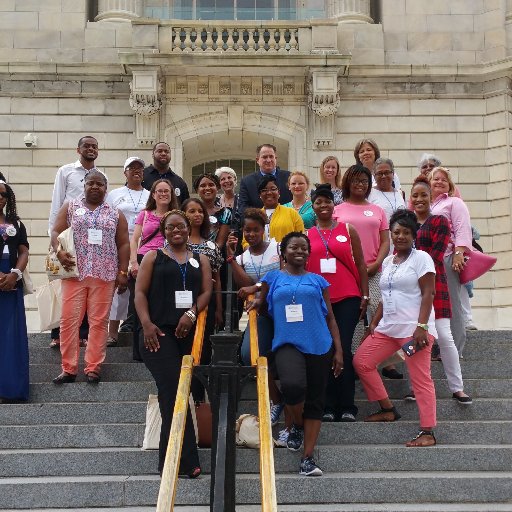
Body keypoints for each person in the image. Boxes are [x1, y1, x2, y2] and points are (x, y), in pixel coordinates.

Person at [247, 232, 343, 476]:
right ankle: (297, 425)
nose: (299, 251)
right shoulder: (273, 277)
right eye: (294, 247)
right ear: (283, 252)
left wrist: (339, 350)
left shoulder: (318, 281)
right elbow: (262, 297)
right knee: (292, 386)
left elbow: (330, 317)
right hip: (287, 342)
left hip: (320, 344)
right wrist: (257, 301)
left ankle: (307, 459)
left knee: (315, 400)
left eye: (304, 248)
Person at [135, 210, 212, 477]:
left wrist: (191, 314)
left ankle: (172, 461)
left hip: (188, 335)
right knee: (172, 392)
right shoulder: (153, 257)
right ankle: (185, 461)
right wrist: (146, 325)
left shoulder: (200, 258)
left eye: (180, 226)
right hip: (157, 335)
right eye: (170, 227)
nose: (175, 231)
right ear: (164, 230)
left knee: (180, 394)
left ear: (188, 228)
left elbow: (206, 292)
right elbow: (140, 294)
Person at [353, 209, 438, 447]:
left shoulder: (421, 258)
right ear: (390, 234)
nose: (400, 236)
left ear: (414, 235)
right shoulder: (389, 261)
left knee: (421, 379)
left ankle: (427, 431)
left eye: (406, 233)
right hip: (387, 329)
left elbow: (428, 292)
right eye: (396, 232)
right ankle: (388, 409)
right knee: (362, 361)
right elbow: (385, 295)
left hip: (414, 331)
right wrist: (374, 322)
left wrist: (422, 326)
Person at [50, 170, 130, 384]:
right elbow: (56, 231)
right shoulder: (71, 207)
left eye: (100, 184)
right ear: (84, 185)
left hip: (104, 276)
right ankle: (69, 368)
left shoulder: (115, 213)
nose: (95, 187)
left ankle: (93, 367)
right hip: (75, 273)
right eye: (91, 183)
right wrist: (58, 250)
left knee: (98, 322)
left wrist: (122, 272)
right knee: (69, 321)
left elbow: (123, 243)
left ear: (106, 188)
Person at [307, 184, 369, 422]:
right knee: (325, 349)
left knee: (342, 345)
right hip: (319, 300)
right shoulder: (307, 234)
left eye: (327, 201)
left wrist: (365, 294)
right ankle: (328, 405)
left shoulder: (347, 229)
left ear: (334, 205)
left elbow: (361, 264)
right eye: (318, 202)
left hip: (347, 297)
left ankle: (347, 406)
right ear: (312, 207)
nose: (323, 206)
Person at [333, 165, 400, 379]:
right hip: (347, 273)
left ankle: (382, 360)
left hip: (375, 270)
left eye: (363, 180)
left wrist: (377, 263)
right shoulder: (338, 210)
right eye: (355, 180)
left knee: (383, 313)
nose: (360, 184)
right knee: (353, 317)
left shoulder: (378, 210)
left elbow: (385, 241)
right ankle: (353, 360)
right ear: (347, 183)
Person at [409, 176, 472, 404]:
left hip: (434, 287)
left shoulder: (439, 222)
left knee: (445, 337)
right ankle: (414, 387)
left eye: (423, 195)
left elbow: (435, 255)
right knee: (412, 340)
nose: (419, 199)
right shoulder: (405, 224)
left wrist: (412, 268)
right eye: (415, 195)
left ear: (430, 197)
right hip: (411, 292)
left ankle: (457, 387)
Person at [225, 208, 284, 435]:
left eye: (255, 230)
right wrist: (231, 257)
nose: (251, 234)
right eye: (247, 230)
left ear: (264, 229)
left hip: (282, 312)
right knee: (250, 353)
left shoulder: (278, 248)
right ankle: (276, 399)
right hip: (259, 314)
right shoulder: (242, 257)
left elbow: (282, 274)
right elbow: (245, 283)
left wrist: (257, 287)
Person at [48, 136, 100, 348]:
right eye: (86, 146)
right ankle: (57, 334)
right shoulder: (66, 171)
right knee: (65, 285)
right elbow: (57, 203)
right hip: (67, 236)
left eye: (94, 146)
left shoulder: (100, 175)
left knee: (88, 284)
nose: (91, 149)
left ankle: (84, 333)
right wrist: (54, 239)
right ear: (78, 149)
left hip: (91, 239)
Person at [127, 179, 178, 358]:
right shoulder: (145, 214)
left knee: (161, 305)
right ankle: (139, 351)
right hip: (143, 260)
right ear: (153, 194)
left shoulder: (177, 214)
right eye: (160, 191)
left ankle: (161, 345)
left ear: (171, 194)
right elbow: (134, 239)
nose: (163, 194)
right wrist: (133, 262)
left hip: (167, 260)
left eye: (167, 191)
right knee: (138, 305)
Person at [181, 198, 224, 401]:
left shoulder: (211, 246)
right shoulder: (173, 243)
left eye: (200, 211)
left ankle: (198, 397)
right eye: (191, 211)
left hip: (206, 305)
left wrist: (219, 309)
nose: (196, 214)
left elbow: (217, 280)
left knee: (203, 350)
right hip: (179, 303)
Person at [429, 167, 473, 357]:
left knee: (452, 304)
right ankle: (437, 346)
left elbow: (462, 228)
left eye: (443, 180)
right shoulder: (428, 205)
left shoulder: (454, 202)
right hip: (428, 260)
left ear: (450, 185)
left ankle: (456, 349)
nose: (439, 182)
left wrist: (459, 252)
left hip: (447, 258)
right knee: (432, 304)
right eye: (435, 179)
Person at [105, 157, 150, 345]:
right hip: (120, 244)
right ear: (125, 172)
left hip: (145, 245)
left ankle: (142, 330)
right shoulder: (115, 194)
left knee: (144, 288)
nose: (136, 171)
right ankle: (112, 333)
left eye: (140, 168)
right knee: (120, 286)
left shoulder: (150, 195)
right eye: (132, 168)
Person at [0, 176, 29, 403]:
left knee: (11, 336)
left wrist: (15, 275)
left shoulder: (17, 224)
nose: (0, 198)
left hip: (11, 281)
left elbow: (24, 252)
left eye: (4, 194)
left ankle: (12, 389)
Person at [237, 144, 292, 217]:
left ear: (276, 158)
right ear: (257, 160)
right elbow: (243, 208)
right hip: (259, 224)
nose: (268, 160)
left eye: (271, 156)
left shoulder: (289, 177)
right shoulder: (247, 181)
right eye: (265, 157)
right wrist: (262, 216)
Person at [253, 175, 304, 245]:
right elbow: (246, 243)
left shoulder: (292, 213)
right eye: (264, 190)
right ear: (260, 194)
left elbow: (302, 239)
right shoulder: (255, 216)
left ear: (279, 192)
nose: (269, 193)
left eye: (273, 189)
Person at [193, 173, 231, 248]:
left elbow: (219, 243)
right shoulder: (190, 211)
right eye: (203, 186)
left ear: (217, 188)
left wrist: (205, 255)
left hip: (215, 254)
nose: (207, 188)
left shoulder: (225, 213)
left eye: (211, 185)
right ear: (197, 190)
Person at [368, 158, 406, 233]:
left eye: (387, 172)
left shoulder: (400, 193)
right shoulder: (369, 193)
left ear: (393, 173)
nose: (383, 176)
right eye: (379, 173)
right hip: (379, 239)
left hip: (399, 240)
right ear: (374, 175)